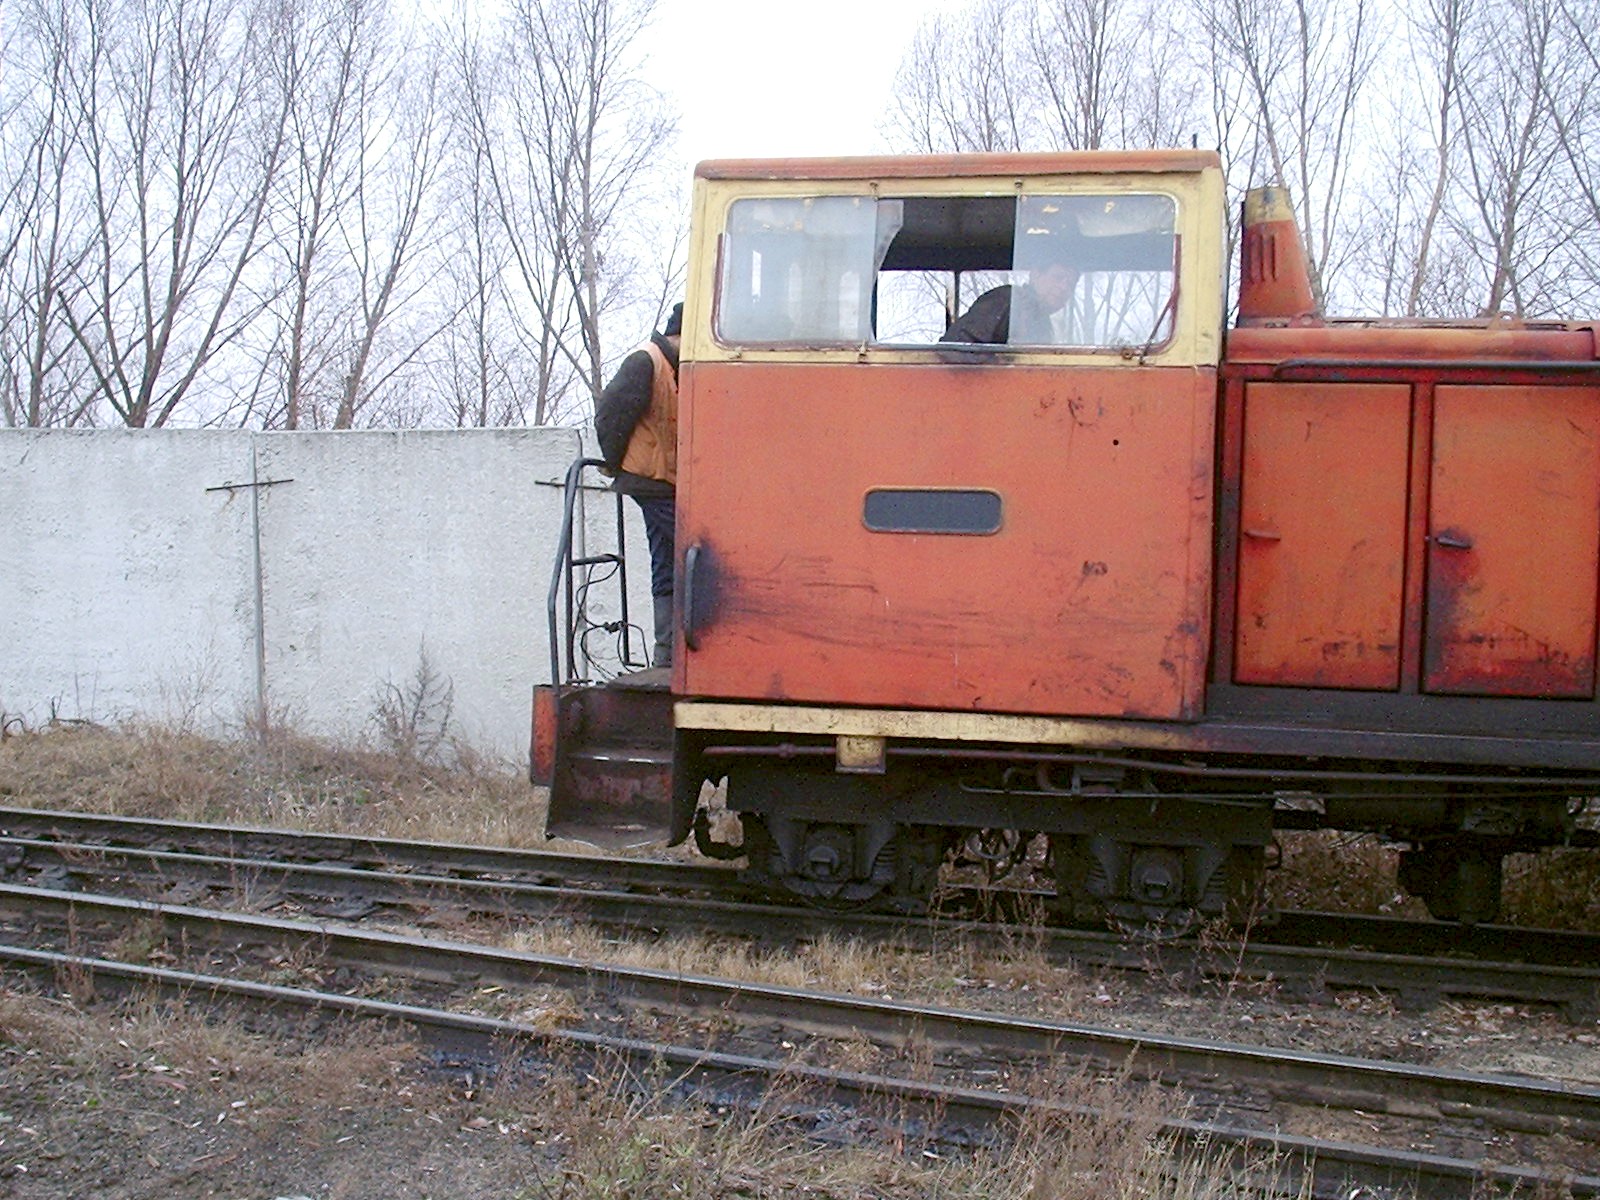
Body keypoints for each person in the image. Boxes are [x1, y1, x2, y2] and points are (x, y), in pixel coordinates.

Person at [598, 302, 682, 669]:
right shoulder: (645, 361)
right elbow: (609, 412)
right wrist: (617, 464)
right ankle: (676, 650)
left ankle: (666, 653)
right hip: (648, 481)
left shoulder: (674, 369)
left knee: (666, 561)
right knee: (697, 550)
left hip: (663, 482)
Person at [939, 261, 1077, 346]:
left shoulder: (1043, 322)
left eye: (1071, 284)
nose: (1064, 288)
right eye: (1058, 278)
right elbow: (957, 348)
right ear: (1035, 275)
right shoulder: (1007, 300)